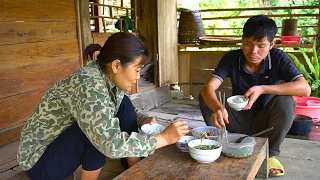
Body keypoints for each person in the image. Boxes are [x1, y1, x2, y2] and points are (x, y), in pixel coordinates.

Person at [17, 32, 189, 180]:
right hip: (40, 163)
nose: (138, 77)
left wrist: (142, 119)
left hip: (59, 149)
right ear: (116, 65)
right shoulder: (89, 85)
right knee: (97, 132)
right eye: (137, 70)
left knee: (124, 105)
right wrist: (163, 138)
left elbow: (123, 108)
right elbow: (108, 142)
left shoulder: (105, 76)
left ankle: (133, 166)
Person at [199, 15, 310, 177]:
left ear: (272, 44)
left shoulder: (279, 58)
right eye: (248, 44)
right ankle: (221, 144)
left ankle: (270, 154)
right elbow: (209, 88)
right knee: (206, 98)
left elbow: (304, 89)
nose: (253, 51)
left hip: (266, 124)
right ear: (242, 40)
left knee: (286, 101)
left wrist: (263, 89)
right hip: (235, 121)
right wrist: (218, 108)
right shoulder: (232, 58)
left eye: (261, 46)